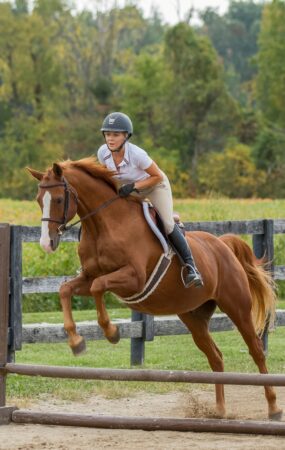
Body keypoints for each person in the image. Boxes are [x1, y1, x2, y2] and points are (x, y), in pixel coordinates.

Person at [97, 112, 203, 288]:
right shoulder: (103, 153)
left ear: (126, 136)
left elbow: (157, 176)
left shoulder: (138, 154)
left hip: (155, 186)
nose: (110, 139)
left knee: (168, 225)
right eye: (107, 134)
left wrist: (134, 187)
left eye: (115, 135)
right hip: (130, 189)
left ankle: (191, 267)